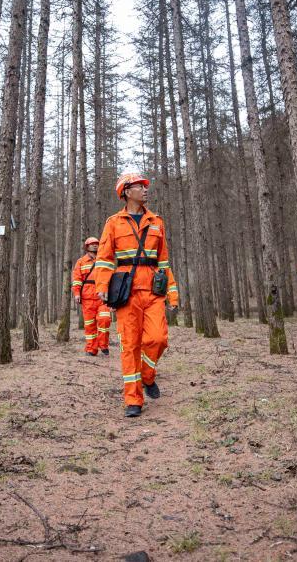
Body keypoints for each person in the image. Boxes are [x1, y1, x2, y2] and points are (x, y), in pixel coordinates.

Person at [92, 173, 179, 418]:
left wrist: (172, 292)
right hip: (126, 292)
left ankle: (147, 375)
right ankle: (133, 398)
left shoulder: (157, 222)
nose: (145, 190)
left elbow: (163, 260)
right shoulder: (114, 222)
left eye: (144, 186)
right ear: (127, 192)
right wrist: (102, 285)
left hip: (153, 290)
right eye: (140, 187)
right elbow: (105, 258)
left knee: (158, 339)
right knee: (129, 345)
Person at [72, 236, 112, 356]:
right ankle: (91, 349)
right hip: (87, 298)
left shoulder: (103, 260)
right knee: (90, 326)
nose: (95, 245)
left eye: (96, 243)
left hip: (102, 296)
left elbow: (111, 276)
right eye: (92, 244)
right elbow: (77, 280)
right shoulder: (81, 262)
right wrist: (77, 294)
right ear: (87, 246)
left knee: (104, 320)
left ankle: (103, 344)